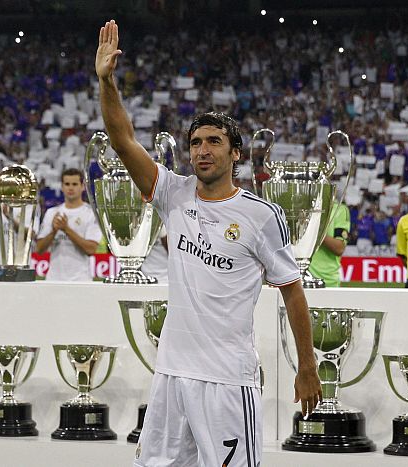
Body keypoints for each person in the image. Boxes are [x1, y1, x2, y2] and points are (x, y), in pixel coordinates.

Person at [97, 20, 321, 467]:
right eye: (196, 142)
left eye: (214, 142)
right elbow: (122, 141)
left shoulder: (260, 216)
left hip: (227, 379)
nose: (203, 150)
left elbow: (293, 290)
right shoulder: (172, 193)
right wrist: (106, 81)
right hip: (171, 374)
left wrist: (307, 364)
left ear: (235, 153)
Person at [35, 168, 102, 281]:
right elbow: (39, 250)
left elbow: (91, 249)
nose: (70, 188)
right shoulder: (52, 213)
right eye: (67, 184)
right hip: (53, 279)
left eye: (75, 184)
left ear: (82, 186)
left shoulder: (91, 213)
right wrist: (54, 231)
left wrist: (66, 229)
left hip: (80, 280)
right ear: (62, 187)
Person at [308, 201, 350, 287]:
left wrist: (316, 231)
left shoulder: (339, 210)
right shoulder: (303, 206)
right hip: (297, 278)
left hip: (327, 282)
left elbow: (339, 248)